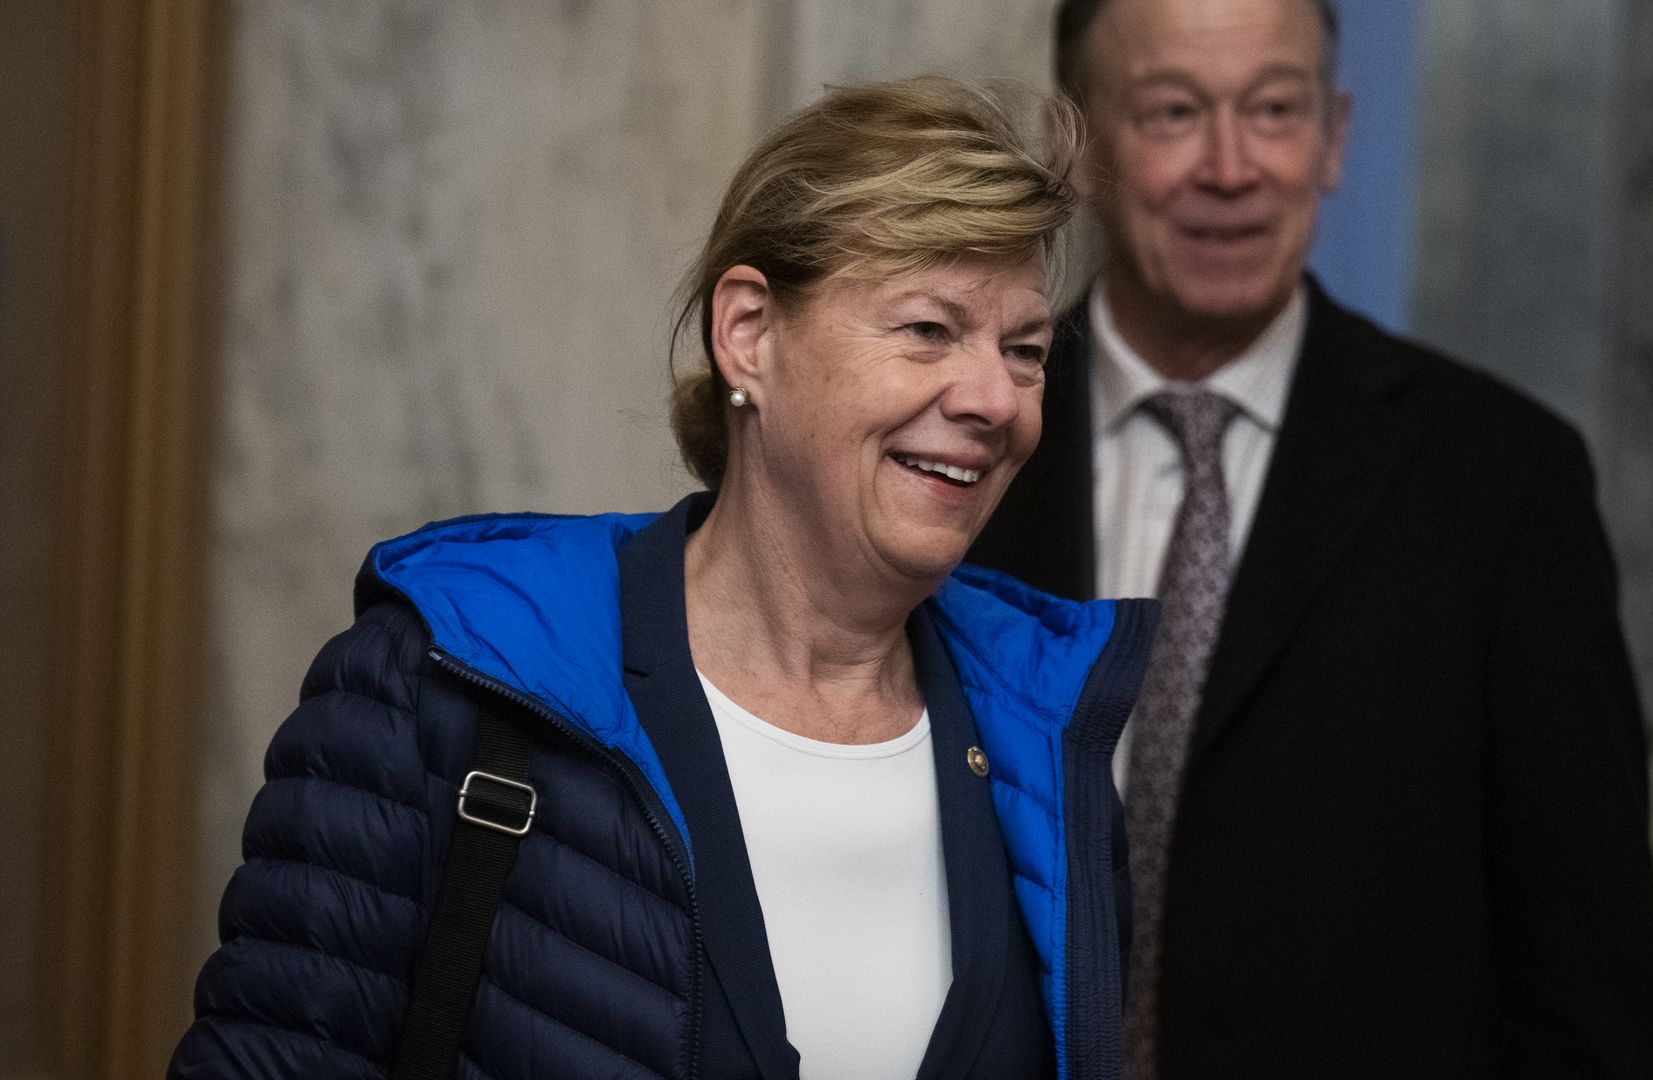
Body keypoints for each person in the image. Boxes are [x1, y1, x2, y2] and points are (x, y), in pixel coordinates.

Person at [170, 76, 1154, 1080]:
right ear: (749, 334)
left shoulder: (1049, 745)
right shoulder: (446, 679)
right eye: (929, 330)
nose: (996, 398)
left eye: (1024, 350)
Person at [968, 1, 1653, 1076]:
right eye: (1173, 112)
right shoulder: (959, 445)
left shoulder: (1498, 484)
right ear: (1078, 146)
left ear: (1335, 136)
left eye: (1275, 109)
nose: (1232, 166)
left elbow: (1592, 983)